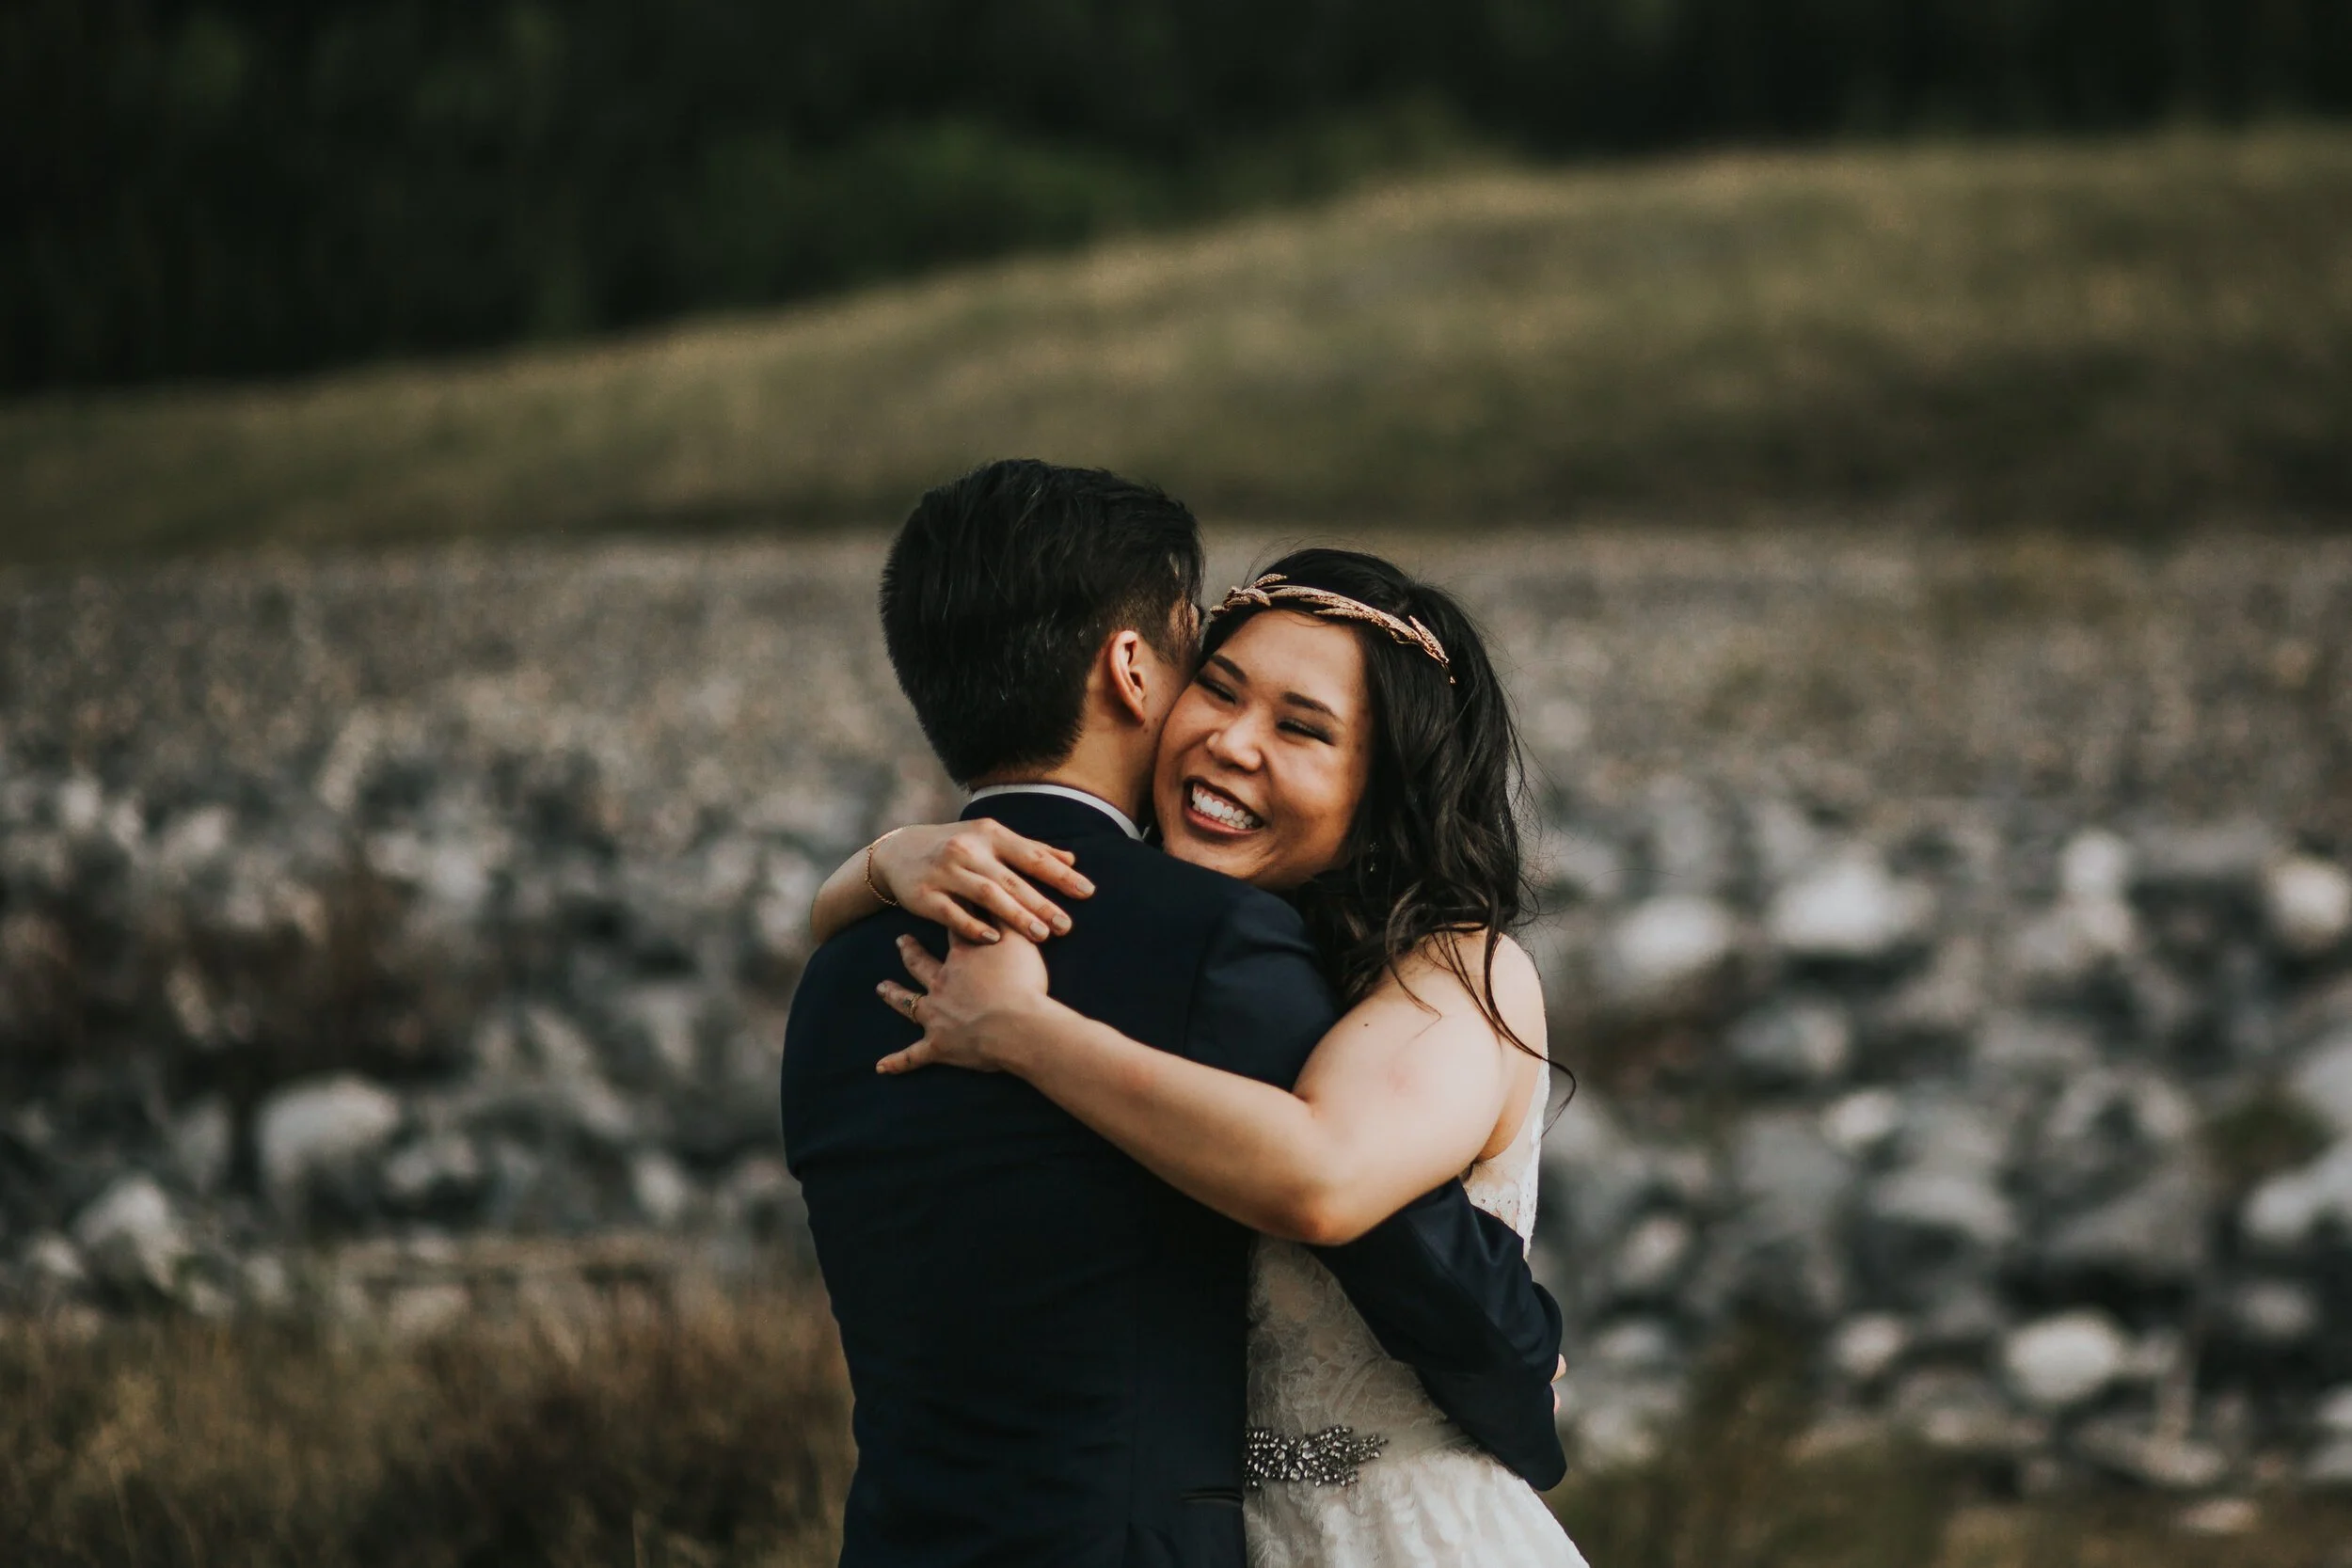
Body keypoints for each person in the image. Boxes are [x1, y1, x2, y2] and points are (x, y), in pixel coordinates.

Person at [780, 460, 1565, 1568]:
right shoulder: (1206, 949)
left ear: (1382, 783)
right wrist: (879, 862)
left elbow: (1331, 1186)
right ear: (1141, 674)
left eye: (1302, 727)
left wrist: (1014, 1017)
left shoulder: (1444, 971)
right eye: (1224, 685)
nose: (1233, 740)